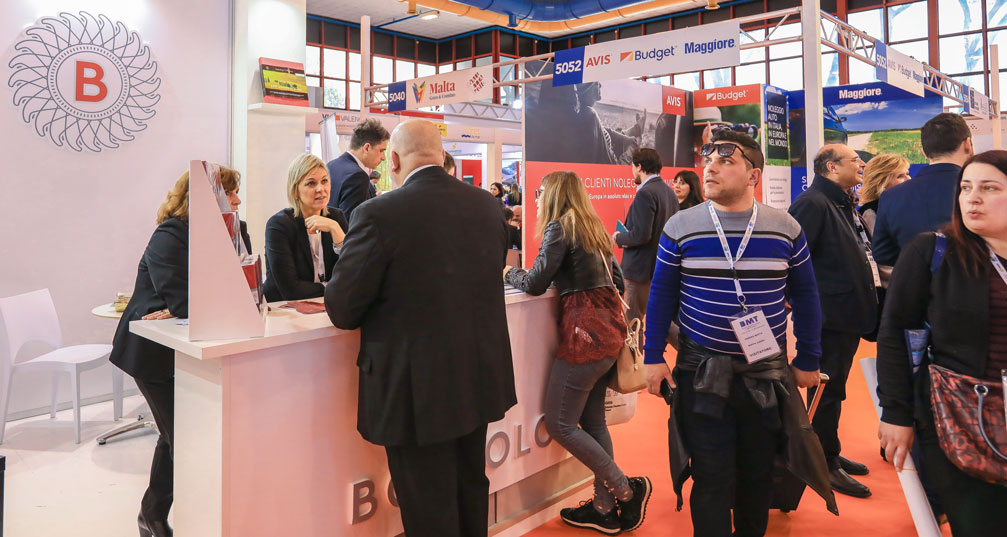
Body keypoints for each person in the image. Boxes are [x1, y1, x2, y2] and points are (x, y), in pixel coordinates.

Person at [324, 119, 516, 537]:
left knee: (428, 507)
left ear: (392, 160)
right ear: (442, 155)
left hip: (416, 391)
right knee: (470, 488)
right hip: (477, 377)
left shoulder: (378, 214)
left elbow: (342, 307)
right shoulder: (487, 206)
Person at [643, 130, 834, 536]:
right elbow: (661, 295)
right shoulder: (680, 226)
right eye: (708, 159)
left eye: (725, 160)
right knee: (710, 475)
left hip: (765, 375)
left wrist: (809, 358)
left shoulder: (785, 228)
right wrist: (653, 356)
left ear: (754, 176)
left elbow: (806, 295)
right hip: (701, 374)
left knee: (757, 473)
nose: (710, 167)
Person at [504, 171, 651, 535]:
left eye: (540, 191)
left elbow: (534, 282)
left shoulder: (559, 227)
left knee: (560, 423)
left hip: (583, 337)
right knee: (594, 422)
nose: (537, 197)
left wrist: (508, 272)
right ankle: (603, 508)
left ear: (553, 193)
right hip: (609, 334)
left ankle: (626, 490)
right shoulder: (593, 227)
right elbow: (618, 281)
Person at [877, 150, 1007, 535]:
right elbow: (895, 331)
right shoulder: (933, 250)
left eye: (989, 188)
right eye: (966, 188)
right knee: (981, 523)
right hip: (959, 415)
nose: (973, 198)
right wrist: (896, 413)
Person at [110, 168, 228, 537]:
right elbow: (183, 298)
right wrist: (184, 305)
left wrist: (187, 304)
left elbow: (233, 289)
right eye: (229, 193)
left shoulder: (216, 234)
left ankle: (152, 514)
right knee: (180, 435)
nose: (236, 201)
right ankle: (155, 516)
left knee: (175, 433)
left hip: (184, 351)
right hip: (150, 354)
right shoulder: (170, 235)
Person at [789, 144, 879, 498]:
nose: (862, 164)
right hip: (828, 316)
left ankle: (831, 452)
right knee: (825, 390)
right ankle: (823, 464)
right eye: (855, 160)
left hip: (845, 313)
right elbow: (794, 260)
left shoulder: (841, 202)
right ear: (831, 167)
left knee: (834, 388)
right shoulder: (813, 204)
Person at [872, 113, 974, 265]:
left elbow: (882, 253)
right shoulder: (981, 191)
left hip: (915, 277)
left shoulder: (891, 196)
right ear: (968, 144)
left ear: (924, 152)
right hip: (975, 277)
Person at [613, 148, 679, 346]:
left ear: (639, 166)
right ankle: (691, 355)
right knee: (661, 321)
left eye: (632, 167)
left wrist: (619, 237)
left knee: (632, 324)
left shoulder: (645, 193)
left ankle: (636, 362)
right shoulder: (669, 192)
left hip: (639, 272)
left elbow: (641, 234)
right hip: (659, 269)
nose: (632, 171)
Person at [262, 154, 348, 302]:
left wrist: (336, 230)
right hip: (284, 307)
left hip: (327, 305)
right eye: (311, 183)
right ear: (295, 190)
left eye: (324, 181)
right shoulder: (279, 225)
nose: (320, 189)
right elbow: (291, 290)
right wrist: (332, 287)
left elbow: (353, 274)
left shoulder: (336, 218)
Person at [325, 118, 390, 219]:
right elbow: (353, 223)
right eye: (381, 151)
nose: (383, 157)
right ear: (367, 148)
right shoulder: (357, 176)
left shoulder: (331, 165)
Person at [858, 153, 910, 235]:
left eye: (907, 174)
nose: (908, 179)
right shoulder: (871, 213)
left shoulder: (908, 206)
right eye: (900, 176)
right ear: (882, 183)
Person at [220, 167, 252, 254]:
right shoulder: (186, 233)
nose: (238, 201)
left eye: (236, 192)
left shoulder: (240, 228)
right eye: (227, 193)